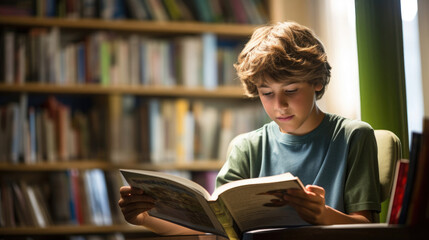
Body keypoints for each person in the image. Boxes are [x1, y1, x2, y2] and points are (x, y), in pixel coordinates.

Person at [118, 21, 381, 235]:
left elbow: (368, 228)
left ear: (317, 82)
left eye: (291, 90)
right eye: (266, 93)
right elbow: (216, 228)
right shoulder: (248, 146)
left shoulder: (352, 136)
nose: (280, 105)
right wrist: (144, 218)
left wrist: (322, 214)